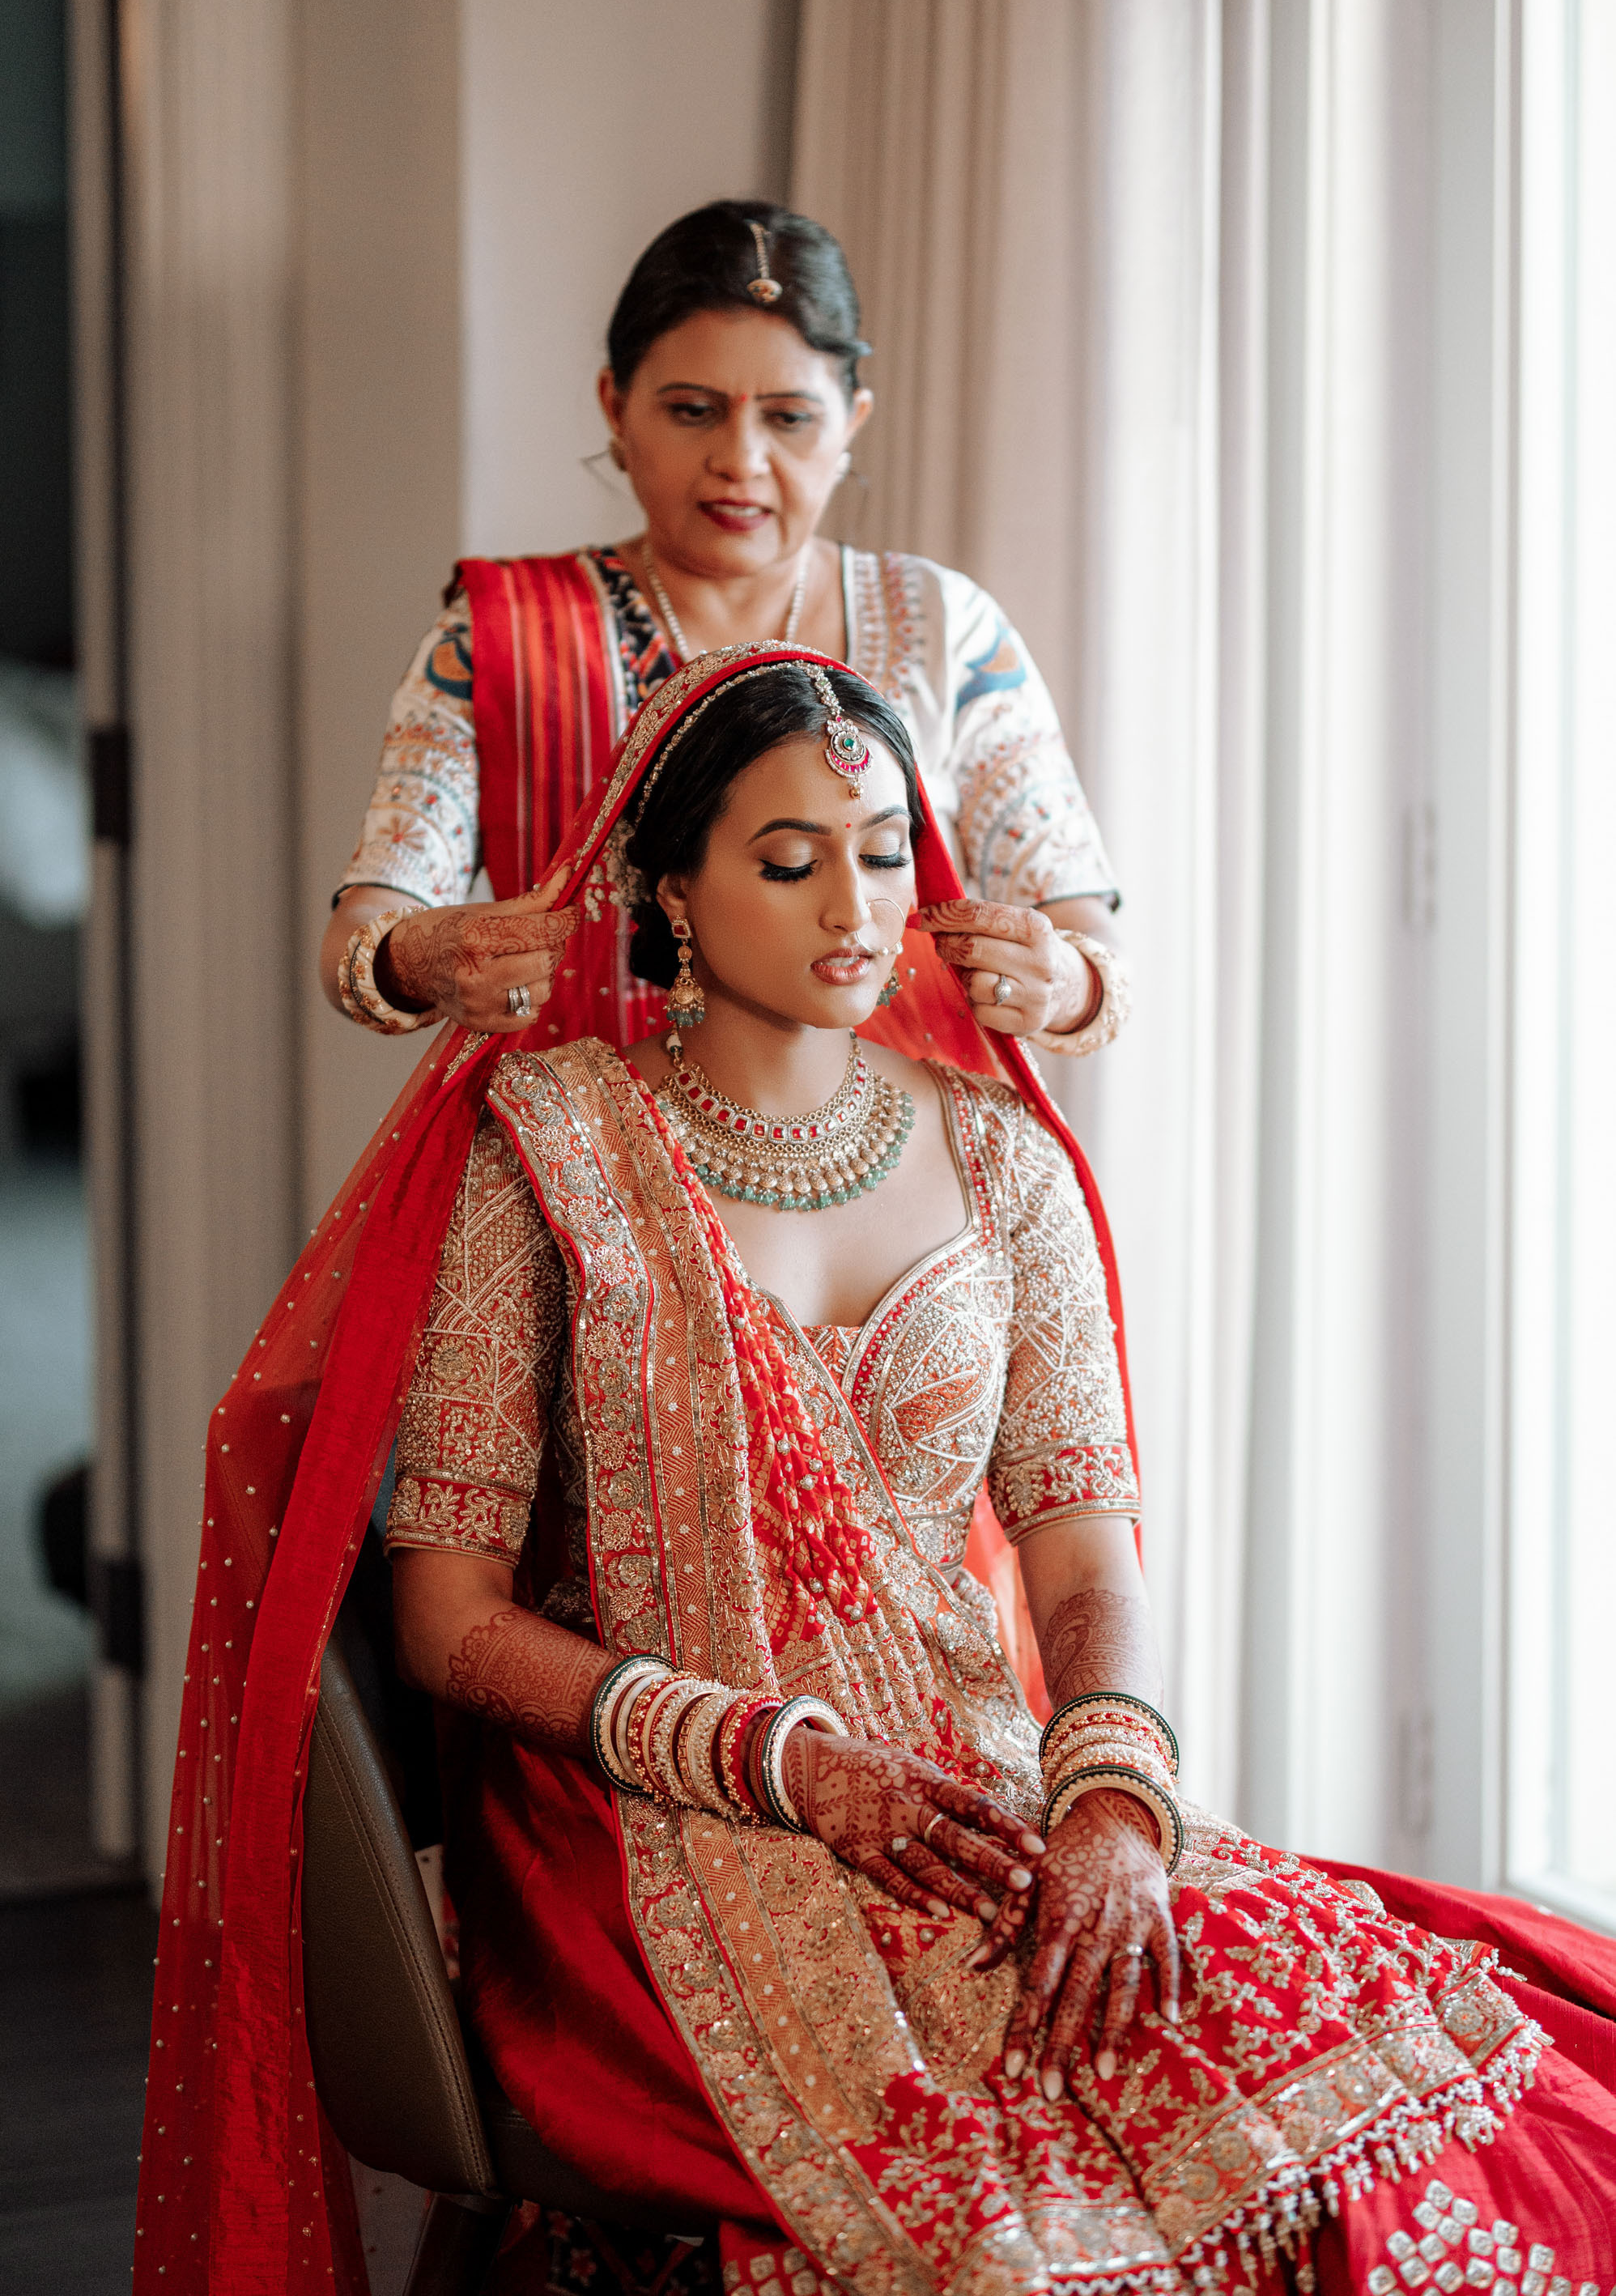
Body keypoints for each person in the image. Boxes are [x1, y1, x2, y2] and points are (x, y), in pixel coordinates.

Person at [137, 648, 1616, 2294]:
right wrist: (783, 1760)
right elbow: (447, 1619)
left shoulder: (1001, 1157)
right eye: (788, 859)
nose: (854, 903)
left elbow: (1076, 1546)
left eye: (885, 851)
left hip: (974, 1782)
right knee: (1016, 2229)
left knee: (1407, 2068)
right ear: (671, 894)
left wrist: (1113, 1806)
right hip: (664, 1816)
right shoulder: (547, 1149)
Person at [317, 199, 1126, 1062]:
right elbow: (362, 932)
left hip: (891, 1170)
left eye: (787, 418)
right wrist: (418, 960)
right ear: (616, 407)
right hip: (580, 1167)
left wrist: (1063, 983)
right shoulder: (498, 634)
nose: (740, 460)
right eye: (694, 411)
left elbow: (1082, 931)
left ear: (850, 422)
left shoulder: (945, 629)